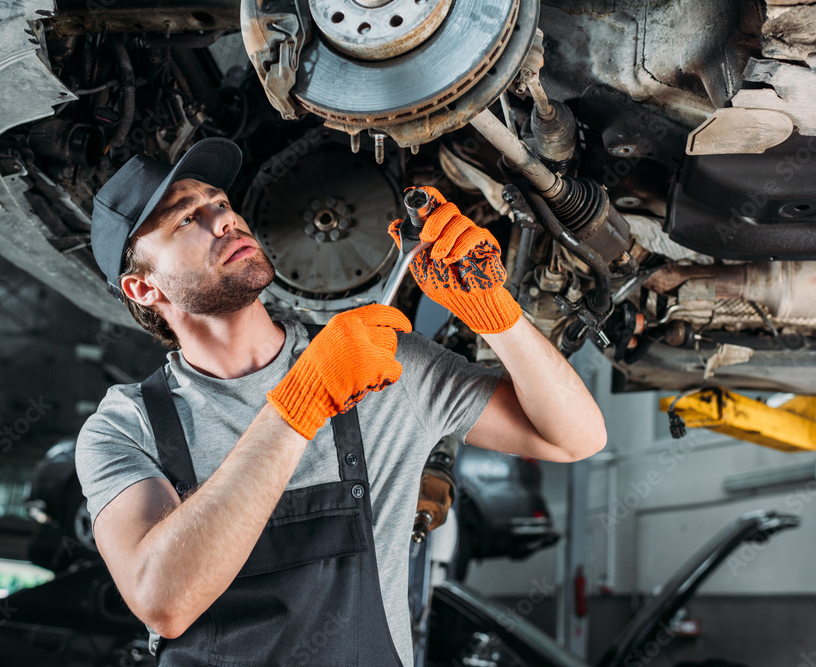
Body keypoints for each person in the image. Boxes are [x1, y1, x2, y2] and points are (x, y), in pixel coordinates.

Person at [78, 137, 606, 666]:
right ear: (143, 289)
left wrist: (498, 316)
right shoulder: (125, 427)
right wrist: (301, 404)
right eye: (184, 220)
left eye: (219, 202)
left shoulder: (376, 358)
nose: (223, 220)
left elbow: (575, 436)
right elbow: (164, 601)